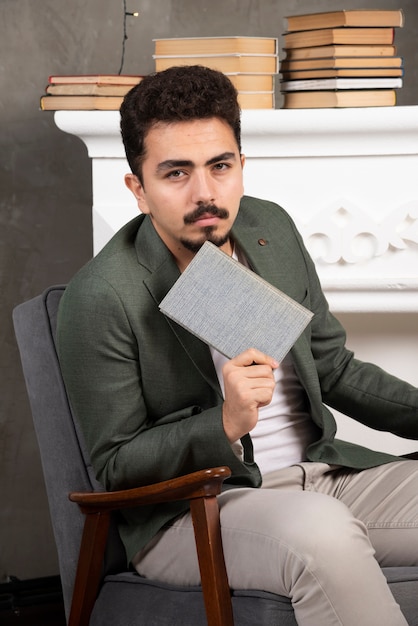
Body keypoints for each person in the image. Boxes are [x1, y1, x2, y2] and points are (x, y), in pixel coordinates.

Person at [56, 65, 418, 625]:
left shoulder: (268, 229)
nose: (205, 194)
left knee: (324, 520)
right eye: (176, 173)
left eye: (219, 166)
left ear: (241, 167)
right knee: (322, 533)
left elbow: (335, 369)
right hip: (197, 511)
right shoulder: (103, 294)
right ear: (139, 189)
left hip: (324, 476)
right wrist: (224, 423)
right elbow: (116, 463)